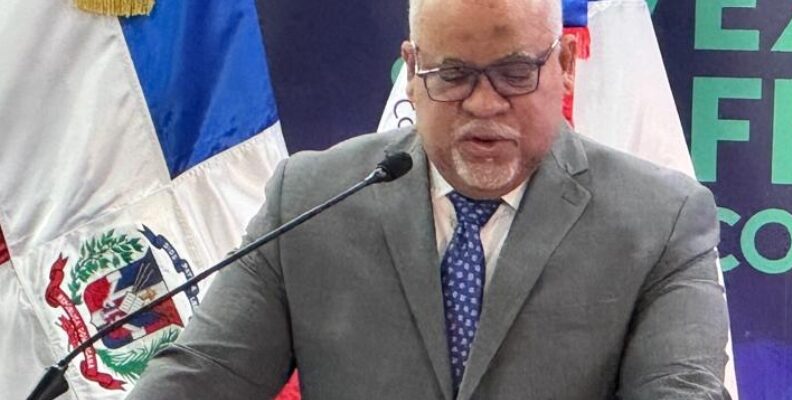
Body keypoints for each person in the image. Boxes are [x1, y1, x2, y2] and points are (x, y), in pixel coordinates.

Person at [128, 0, 730, 398]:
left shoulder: (661, 221)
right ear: (413, 71)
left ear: (565, 65)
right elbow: (204, 375)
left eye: (515, 73)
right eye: (454, 75)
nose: (485, 104)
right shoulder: (311, 198)